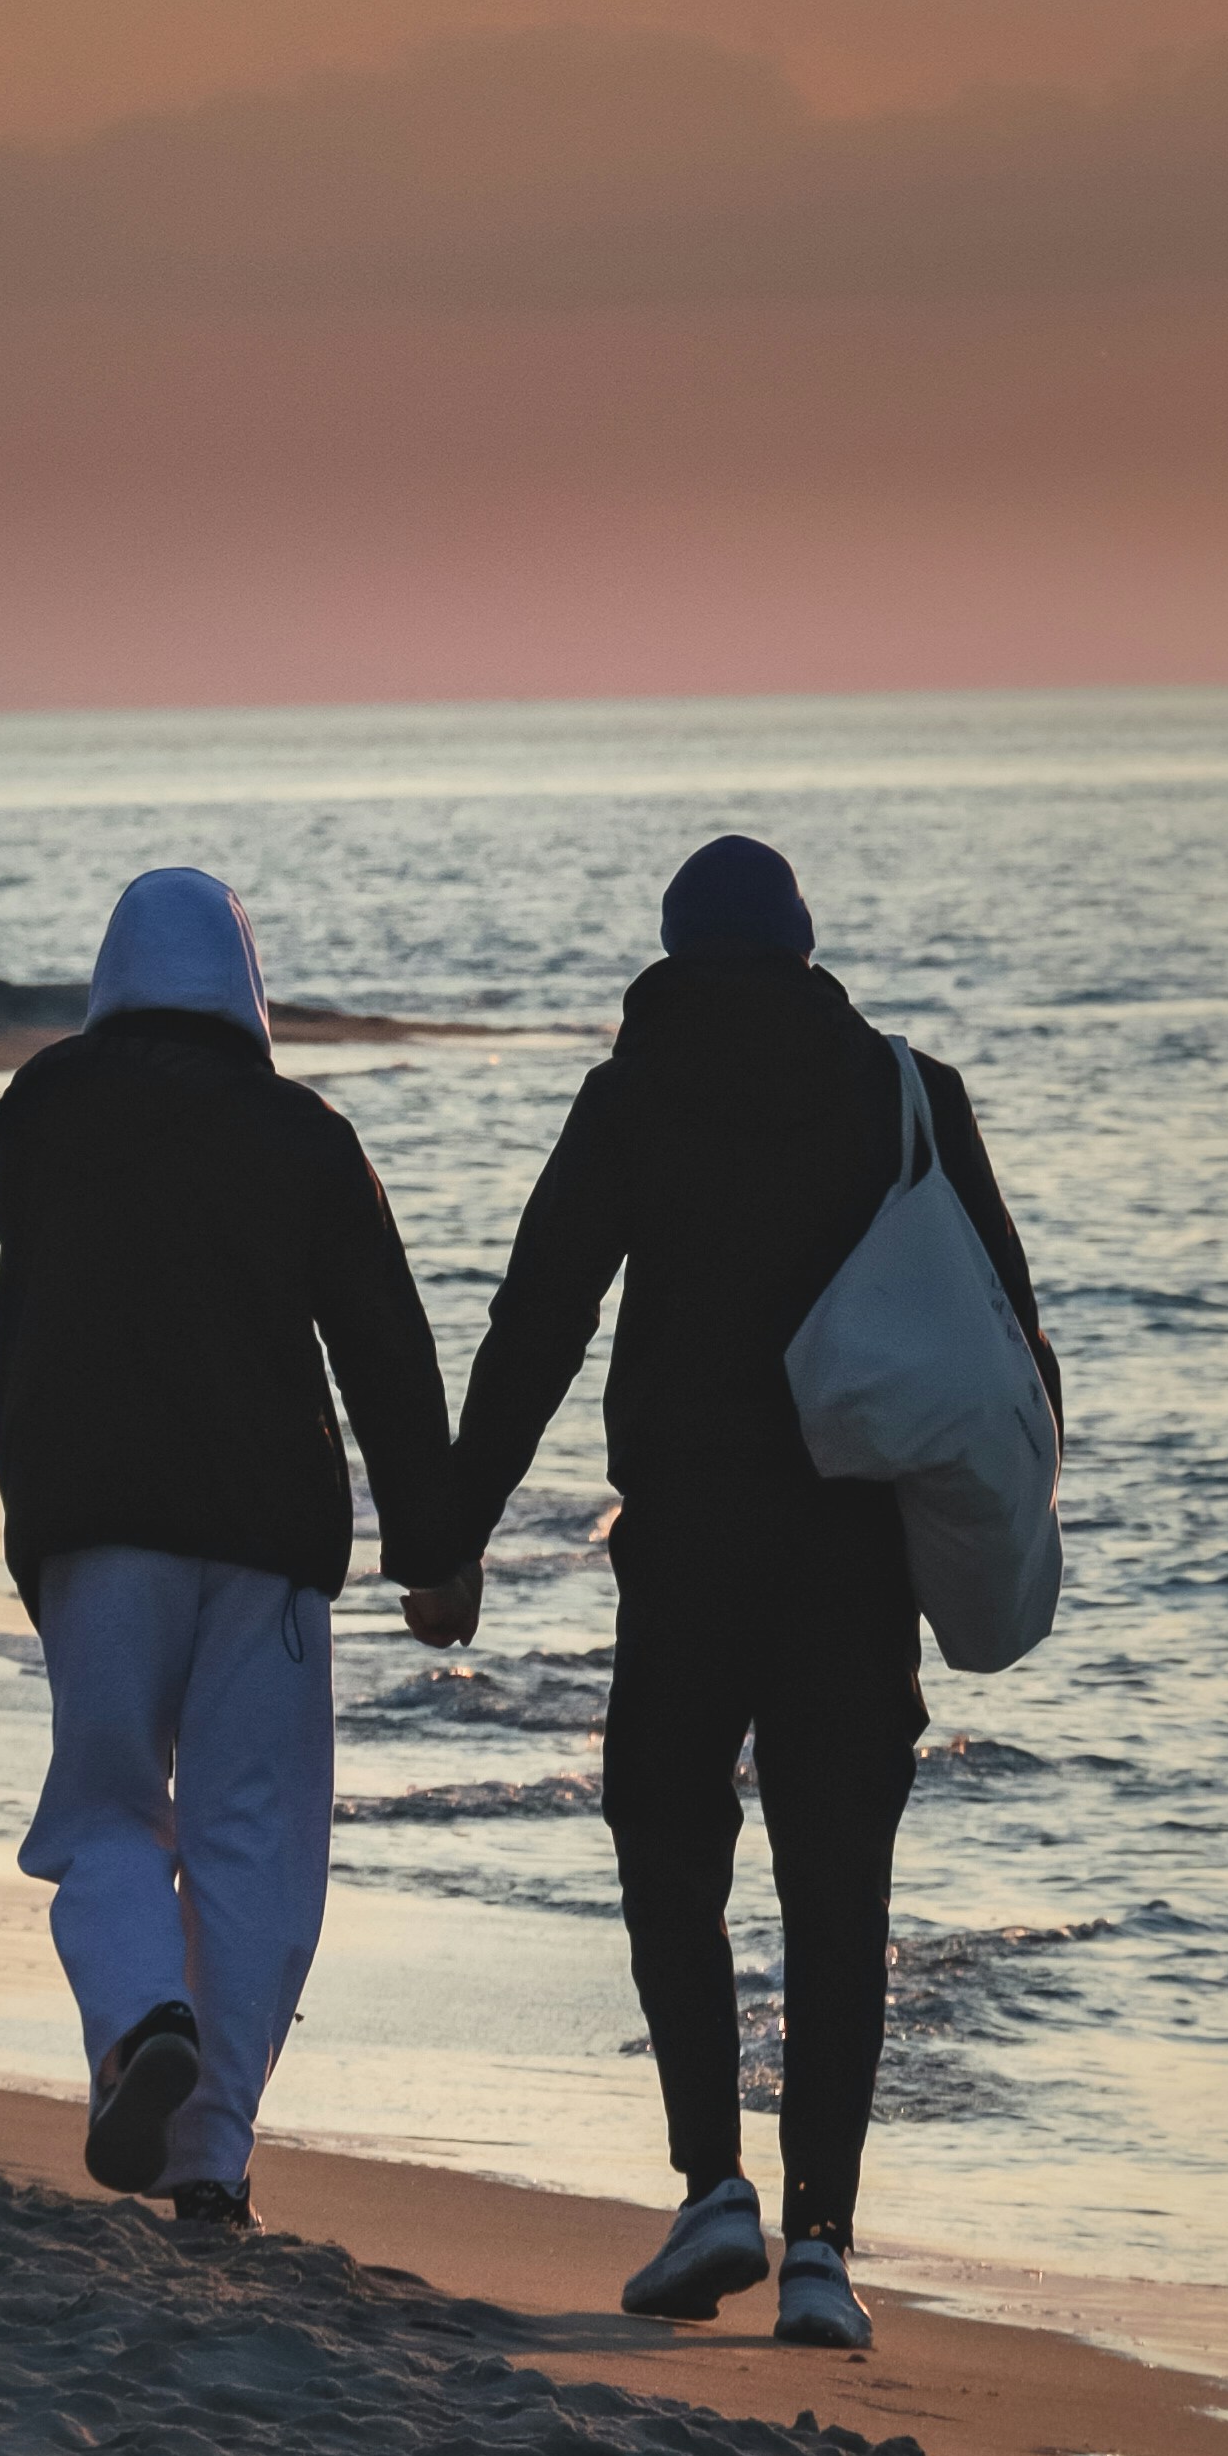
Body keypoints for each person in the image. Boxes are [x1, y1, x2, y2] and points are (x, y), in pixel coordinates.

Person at [441, 833, 1055, 2359]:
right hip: (854, 1558)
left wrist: (448, 1528)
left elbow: (542, 1317)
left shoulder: (634, 1093)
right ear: (800, 948)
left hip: (690, 1544)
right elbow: (1013, 1344)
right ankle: (823, 2250)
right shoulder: (902, 1089)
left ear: (670, 952)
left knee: (666, 1836)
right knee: (838, 1887)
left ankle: (712, 2179)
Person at [0, 863, 458, 2233]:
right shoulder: (303, 1135)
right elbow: (386, 1344)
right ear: (247, 990)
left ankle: (144, 2022)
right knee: (256, 1844)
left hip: (95, 1527)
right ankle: (210, 2160)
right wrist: (434, 1547)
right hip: (267, 1542)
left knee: (105, 1813)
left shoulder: (47, 1112)